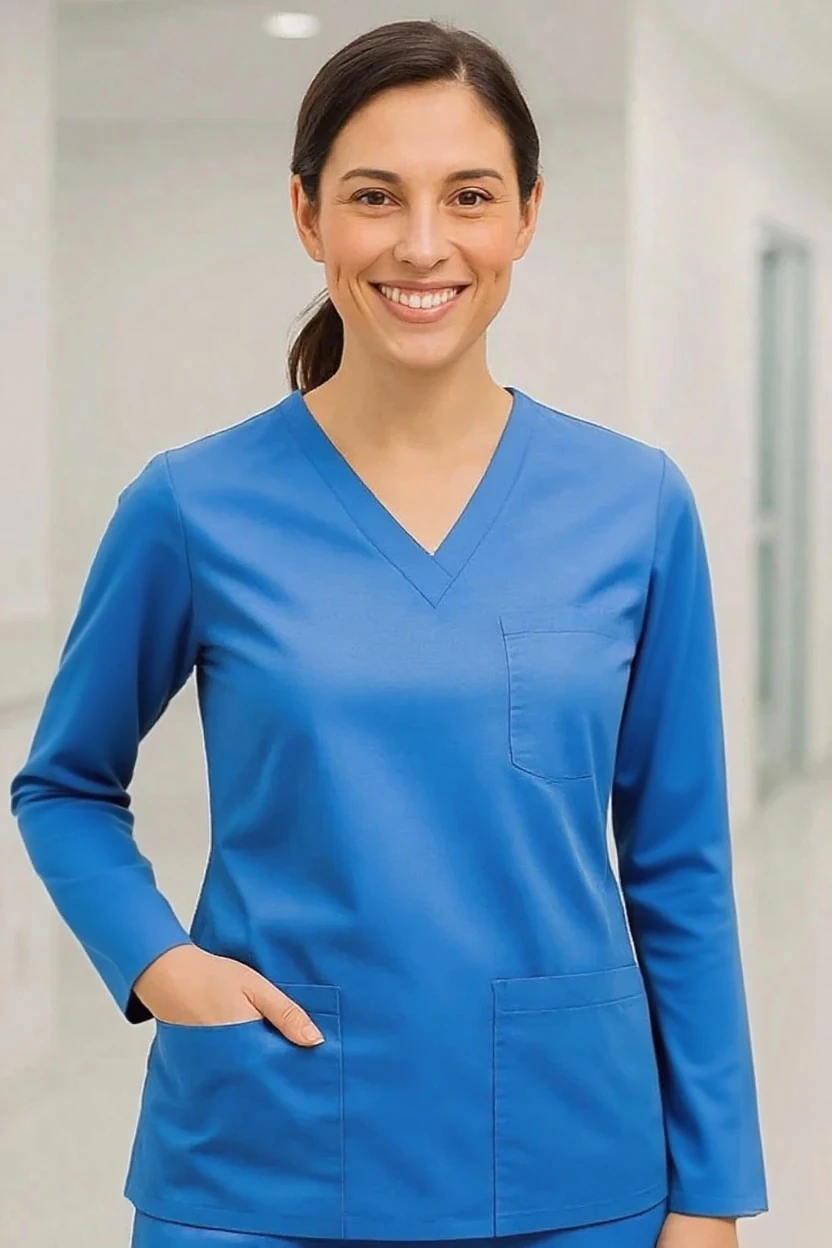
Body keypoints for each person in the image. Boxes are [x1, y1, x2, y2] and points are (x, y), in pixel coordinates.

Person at [9, 18, 768, 1248]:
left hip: (570, 1161)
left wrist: (713, 1191)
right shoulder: (193, 507)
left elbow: (680, 867)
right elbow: (64, 786)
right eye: (374, 196)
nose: (423, 243)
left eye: (469, 195)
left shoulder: (633, 507)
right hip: (263, 1156)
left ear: (526, 214)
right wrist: (159, 964)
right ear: (307, 216)